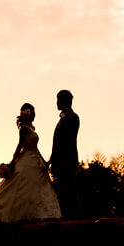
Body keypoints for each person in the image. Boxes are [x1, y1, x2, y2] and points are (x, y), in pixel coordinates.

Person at [0, 103, 61, 222]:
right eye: (32, 112)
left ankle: (39, 213)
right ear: (27, 113)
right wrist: (12, 162)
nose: (34, 114)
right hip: (27, 160)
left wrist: (44, 162)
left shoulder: (31, 128)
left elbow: (36, 148)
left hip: (35, 159)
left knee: (37, 187)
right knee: (21, 186)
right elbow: (19, 146)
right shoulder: (23, 129)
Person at [50, 89, 79, 217]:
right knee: (61, 190)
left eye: (58, 100)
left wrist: (64, 161)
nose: (56, 103)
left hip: (67, 161)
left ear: (63, 101)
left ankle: (71, 216)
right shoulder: (62, 119)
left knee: (69, 190)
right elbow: (56, 142)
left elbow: (68, 141)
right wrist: (51, 160)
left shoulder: (73, 117)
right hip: (59, 161)